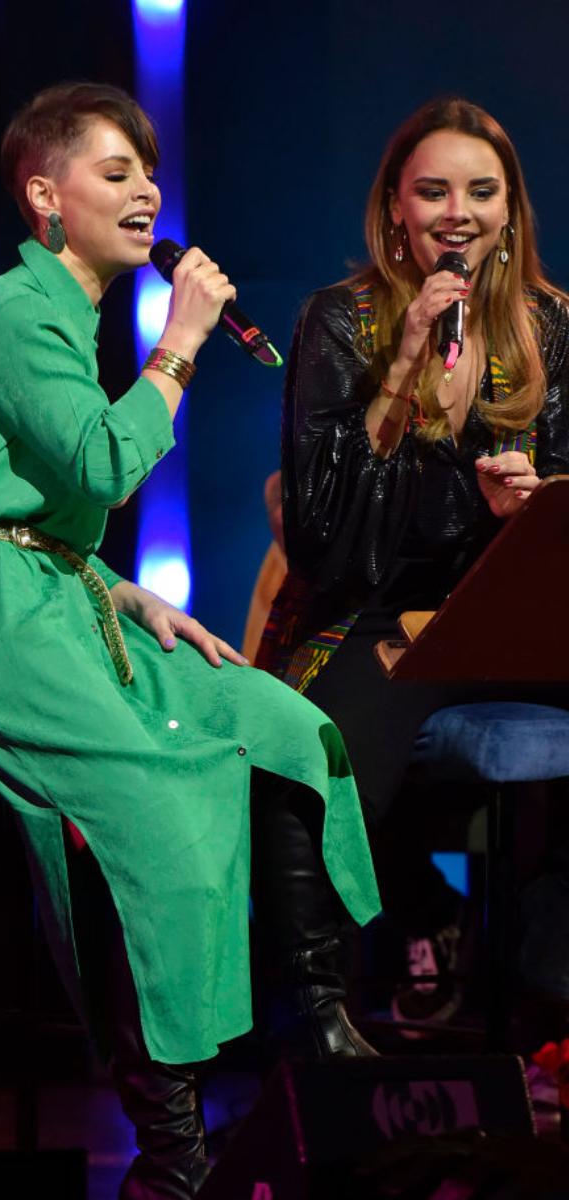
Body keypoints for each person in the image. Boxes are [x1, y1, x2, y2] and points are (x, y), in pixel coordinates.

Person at [0, 82, 381, 1199]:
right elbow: (99, 468)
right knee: (161, 803)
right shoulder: (10, 309)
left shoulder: (71, 310)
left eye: (149, 171)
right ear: (46, 197)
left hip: (70, 586)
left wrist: (130, 590)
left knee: (287, 723)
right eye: (116, 172)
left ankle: (317, 1028)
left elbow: (57, 498)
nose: (147, 189)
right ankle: (173, 1152)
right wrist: (183, 342)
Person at [257, 97, 569, 1028]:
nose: (458, 212)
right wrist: (400, 364)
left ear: (510, 208)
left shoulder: (552, 327)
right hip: (380, 615)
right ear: (396, 208)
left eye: (481, 190)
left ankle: (549, 977)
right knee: (313, 755)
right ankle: (317, 1017)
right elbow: (315, 531)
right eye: (433, 191)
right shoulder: (340, 322)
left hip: (510, 615)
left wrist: (532, 502)